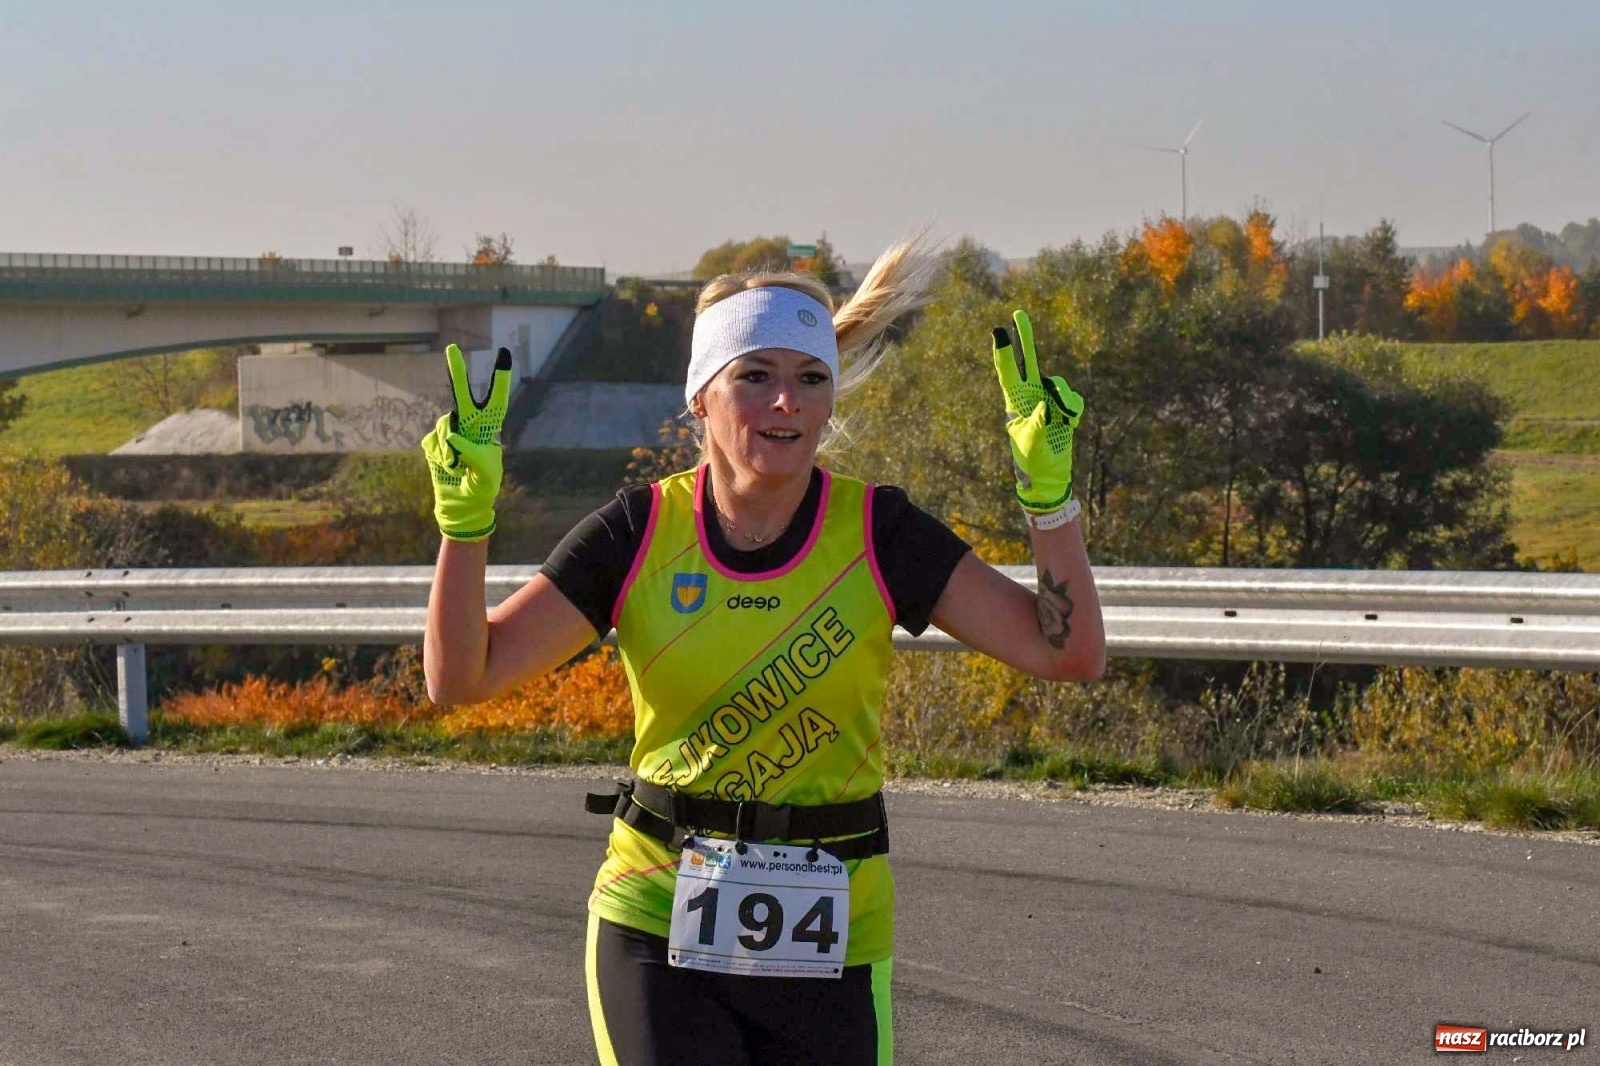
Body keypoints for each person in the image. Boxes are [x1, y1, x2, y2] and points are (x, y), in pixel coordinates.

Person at [420, 238, 1106, 1066]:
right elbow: (462, 678)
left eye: (811, 379)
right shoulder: (637, 533)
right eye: (755, 376)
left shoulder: (880, 532)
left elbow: (1068, 654)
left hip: (835, 935)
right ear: (700, 397)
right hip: (655, 921)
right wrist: (465, 524)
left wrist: (1049, 500)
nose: (787, 402)